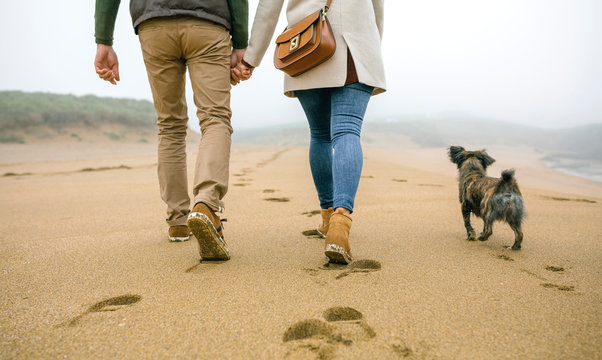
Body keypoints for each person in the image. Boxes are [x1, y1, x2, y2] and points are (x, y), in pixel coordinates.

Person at [94, 0, 249, 261]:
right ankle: (207, 203)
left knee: (170, 125)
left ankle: (178, 219)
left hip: (154, 24)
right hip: (207, 23)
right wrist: (241, 42)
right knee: (215, 118)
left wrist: (103, 39)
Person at [234, 0, 385, 264]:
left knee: (320, 134)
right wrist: (371, 44)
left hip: (306, 42)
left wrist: (250, 59)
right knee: (347, 130)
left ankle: (327, 217)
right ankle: (340, 223)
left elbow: (269, 7)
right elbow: (377, 6)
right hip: (355, 43)